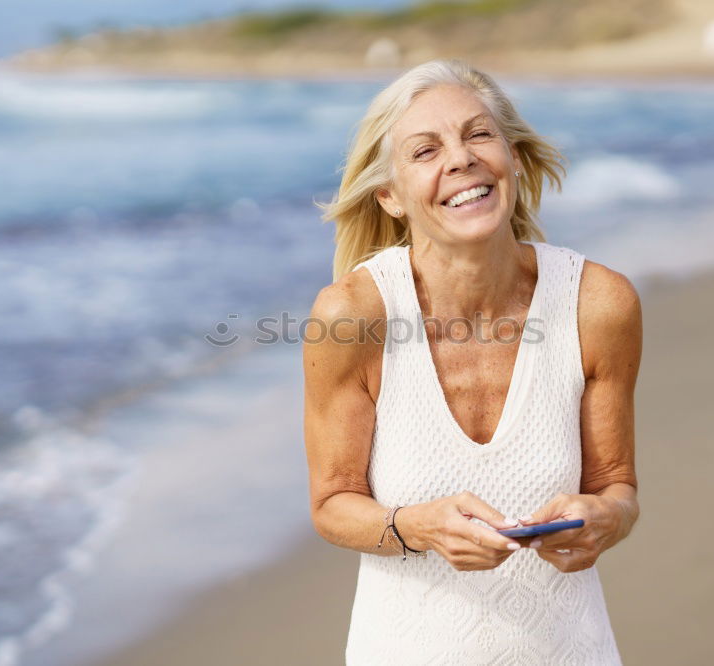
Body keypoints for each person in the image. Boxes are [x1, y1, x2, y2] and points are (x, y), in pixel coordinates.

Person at [303, 59, 641, 664]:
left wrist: (604, 518)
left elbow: (616, 487)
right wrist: (419, 527)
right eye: (425, 151)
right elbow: (332, 505)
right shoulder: (352, 316)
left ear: (511, 156)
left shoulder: (599, 303)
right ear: (391, 197)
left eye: (478, 134)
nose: (460, 159)